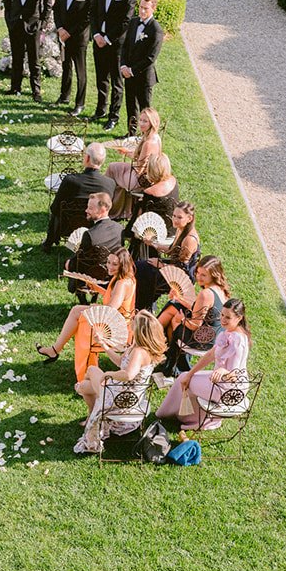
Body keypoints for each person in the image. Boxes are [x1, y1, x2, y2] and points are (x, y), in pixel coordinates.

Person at [36, 248, 136, 381]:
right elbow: (116, 300)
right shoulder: (125, 278)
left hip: (118, 330)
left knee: (83, 320)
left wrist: (95, 306)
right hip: (117, 323)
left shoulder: (122, 283)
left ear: (123, 265)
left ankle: (85, 376)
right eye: (108, 262)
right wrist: (98, 289)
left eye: (114, 264)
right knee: (77, 310)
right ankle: (55, 350)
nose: (109, 267)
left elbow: (111, 309)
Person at [75, 309, 168, 451]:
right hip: (124, 393)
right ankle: (92, 415)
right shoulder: (136, 346)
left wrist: (109, 374)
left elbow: (129, 374)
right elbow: (120, 362)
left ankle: (94, 416)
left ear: (139, 330)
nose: (130, 322)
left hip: (121, 399)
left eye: (133, 321)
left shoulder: (139, 352)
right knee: (83, 386)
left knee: (92, 370)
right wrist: (104, 344)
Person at [158, 299, 251, 429]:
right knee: (185, 376)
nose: (223, 320)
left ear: (239, 318)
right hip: (221, 383)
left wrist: (224, 371)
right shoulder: (232, 332)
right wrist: (190, 374)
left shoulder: (237, 340)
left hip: (226, 391)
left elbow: (236, 373)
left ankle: (166, 414)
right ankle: (188, 416)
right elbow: (210, 355)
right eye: (222, 315)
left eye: (228, 317)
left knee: (181, 379)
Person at [157, 256, 231, 377]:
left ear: (213, 275)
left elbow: (195, 325)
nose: (198, 277)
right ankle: (171, 358)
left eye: (203, 275)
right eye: (197, 272)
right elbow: (198, 309)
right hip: (213, 338)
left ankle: (170, 364)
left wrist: (181, 320)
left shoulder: (206, 294)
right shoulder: (220, 290)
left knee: (174, 320)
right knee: (174, 306)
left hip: (200, 340)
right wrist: (178, 298)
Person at [90, 0, 135, 130]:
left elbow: (126, 20)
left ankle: (113, 116)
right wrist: (96, 34)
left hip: (116, 44)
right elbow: (93, 11)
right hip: (98, 39)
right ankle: (100, 109)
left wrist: (108, 38)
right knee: (101, 77)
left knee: (116, 81)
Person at [2, 0, 53, 101]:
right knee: (16, 57)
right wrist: (10, 19)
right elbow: (7, 0)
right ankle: (15, 87)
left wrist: (42, 24)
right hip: (16, 23)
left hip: (33, 25)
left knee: (34, 59)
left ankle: (36, 90)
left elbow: (48, 3)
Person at [43, 141, 115, 249]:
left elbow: (55, 208)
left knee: (56, 212)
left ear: (86, 158)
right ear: (103, 161)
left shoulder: (70, 180)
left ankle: (48, 242)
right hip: (94, 228)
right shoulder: (110, 183)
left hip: (67, 227)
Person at [53, 0, 94, 115]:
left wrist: (69, 32)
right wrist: (60, 28)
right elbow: (56, 8)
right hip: (63, 34)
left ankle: (80, 103)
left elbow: (87, 18)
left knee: (80, 71)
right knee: (65, 67)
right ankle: (64, 96)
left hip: (78, 37)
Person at [62, 191, 123, 301]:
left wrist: (68, 263)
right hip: (110, 275)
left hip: (91, 276)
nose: (86, 210)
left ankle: (83, 301)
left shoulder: (90, 234)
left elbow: (80, 261)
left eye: (90, 208)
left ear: (102, 210)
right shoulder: (119, 229)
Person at [118, 0, 164, 132]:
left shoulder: (156, 30)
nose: (143, 11)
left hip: (144, 77)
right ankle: (131, 134)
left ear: (153, 9)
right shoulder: (133, 22)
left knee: (145, 110)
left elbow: (151, 57)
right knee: (131, 105)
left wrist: (132, 71)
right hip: (129, 74)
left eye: (146, 8)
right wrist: (124, 65)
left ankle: (146, 137)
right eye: (141, 7)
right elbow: (125, 46)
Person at [126, 151, 179, 235]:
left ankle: (128, 234)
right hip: (172, 227)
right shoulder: (173, 180)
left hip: (155, 232)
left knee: (139, 206)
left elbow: (143, 216)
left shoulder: (150, 192)